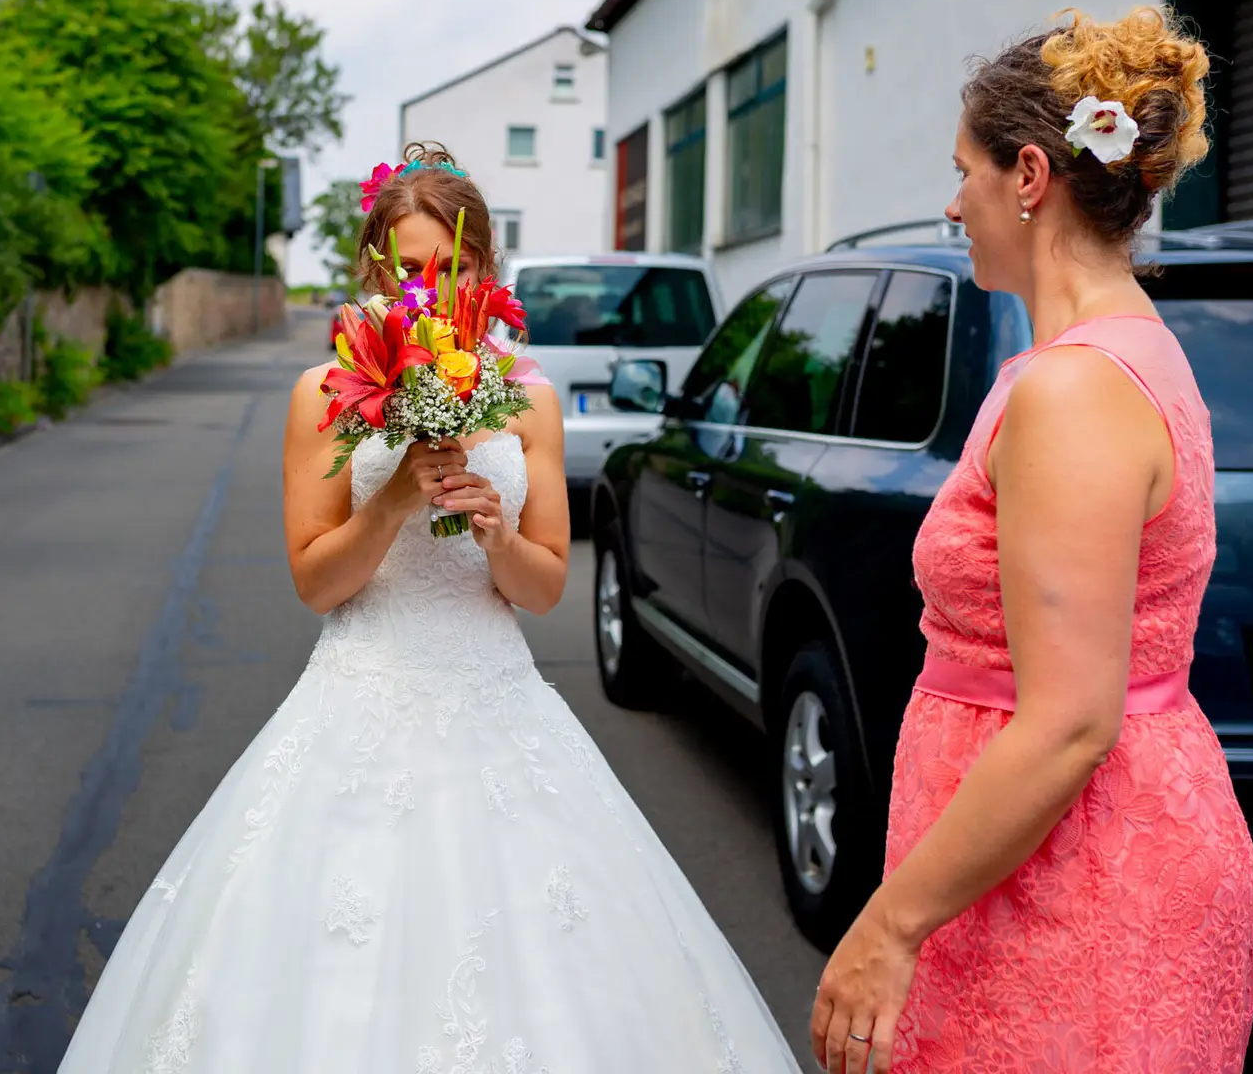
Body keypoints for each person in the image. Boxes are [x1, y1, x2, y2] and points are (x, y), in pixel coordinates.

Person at [60, 144, 802, 1072]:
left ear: (483, 269)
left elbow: (545, 588)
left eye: (451, 267)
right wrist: (393, 501)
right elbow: (316, 582)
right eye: (408, 269)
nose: (428, 290)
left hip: (498, 699)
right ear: (376, 269)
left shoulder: (528, 400)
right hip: (359, 695)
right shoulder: (325, 395)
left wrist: (496, 536)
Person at [809, 7, 1253, 1073]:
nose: (951, 202)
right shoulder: (1111, 356)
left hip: (1075, 881)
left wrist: (888, 927)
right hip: (1042, 865)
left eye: (962, 171)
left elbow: (1068, 721)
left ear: (1027, 175)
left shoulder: (1075, 390)